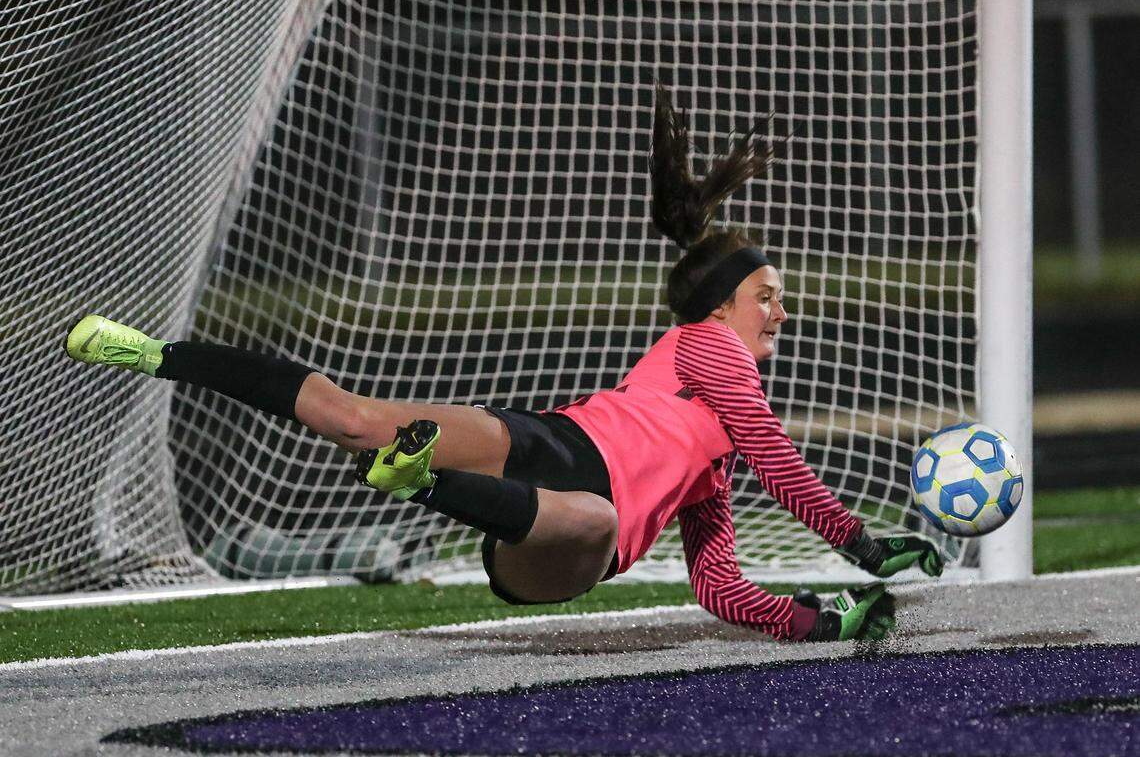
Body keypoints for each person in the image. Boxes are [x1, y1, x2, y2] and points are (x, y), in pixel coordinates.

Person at [65, 86, 942, 642]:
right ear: (721, 305)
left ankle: (415, 485)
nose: (781, 310)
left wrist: (817, 619)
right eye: (768, 294)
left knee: (596, 519)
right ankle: (154, 353)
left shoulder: (709, 464)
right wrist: (860, 543)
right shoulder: (712, 352)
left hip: (560, 545)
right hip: (547, 442)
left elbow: (717, 586)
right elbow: (779, 456)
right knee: (354, 417)